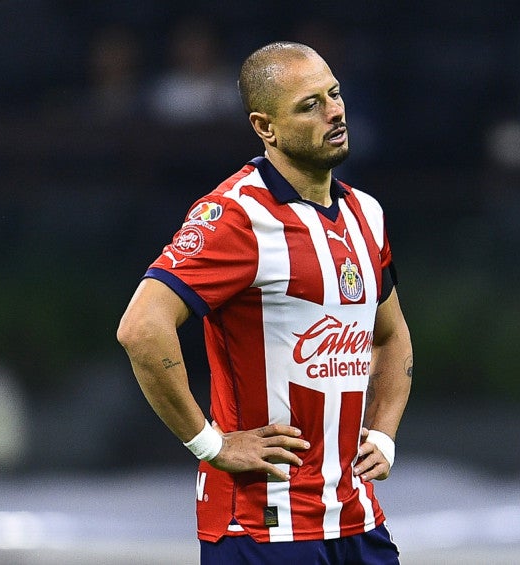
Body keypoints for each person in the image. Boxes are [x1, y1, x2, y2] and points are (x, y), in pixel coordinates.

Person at [117, 41, 413, 564]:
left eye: (334, 94)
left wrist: (384, 434)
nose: (335, 111)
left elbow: (390, 334)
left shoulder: (367, 214)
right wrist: (212, 446)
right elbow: (142, 327)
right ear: (265, 127)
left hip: (356, 519)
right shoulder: (236, 216)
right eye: (309, 105)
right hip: (260, 527)